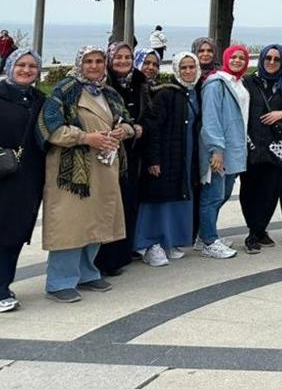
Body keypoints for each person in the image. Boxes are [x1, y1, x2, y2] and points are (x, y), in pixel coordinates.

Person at [37, 47, 139, 301]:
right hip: (72, 171)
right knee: (70, 224)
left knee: (96, 220)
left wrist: (124, 131)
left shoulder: (109, 93)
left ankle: (87, 273)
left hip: (104, 166)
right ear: (79, 63)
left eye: (99, 61)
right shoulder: (64, 91)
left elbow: (127, 120)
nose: (94, 66)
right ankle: (59, 282)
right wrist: (85, 137)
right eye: (88, 61)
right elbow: (49, 128)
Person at [0, 50, 45, 311]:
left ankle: (0, 285)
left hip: (29, 176)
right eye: (21, 64)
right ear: (10, 66)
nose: (26, 70)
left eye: (32, 66)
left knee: (17, 231)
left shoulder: (38, 99)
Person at [135, 52, 201, 267]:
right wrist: (153, 159)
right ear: (175, 70)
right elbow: (152, 128)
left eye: (192, 67)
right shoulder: (166, 94)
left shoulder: (194, 93)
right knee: (158, 200)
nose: (188, 71)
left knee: (176, 199)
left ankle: (169, 240)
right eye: (183, 68)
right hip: (165, 155)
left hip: (184, 155)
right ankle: (149, 244)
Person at [240, 44, 282, 254]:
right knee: (249, 192)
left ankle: (255, 234)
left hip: (277, 148)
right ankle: (256, 230)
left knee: (270, 193)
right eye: (268, 58)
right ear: (262, 59)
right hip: (251, 145)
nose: (272, 62)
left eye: (277, 59)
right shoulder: (248, 82)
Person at [97, 41, 150, 277]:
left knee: (128, 204)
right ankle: (102, 259)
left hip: (133, 153)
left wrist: (139, 128)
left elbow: (148, 114)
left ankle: (121, 254)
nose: (123, 61)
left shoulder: (140, 82)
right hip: (107, 152)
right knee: (108, 204)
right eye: (118, 57)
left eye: (127, 57)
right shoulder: (102, 84)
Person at [196, 46, 250, 259]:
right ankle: (208, 241)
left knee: (224, 194)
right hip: (219, 149)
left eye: (241, 57)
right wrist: (216, 149)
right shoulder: (216, 83)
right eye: (233, 57)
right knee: (212, 196)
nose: (237, 60)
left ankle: (206, 234)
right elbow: (210, 118)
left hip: (234, 148)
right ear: (226, 58)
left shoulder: (238, 82)